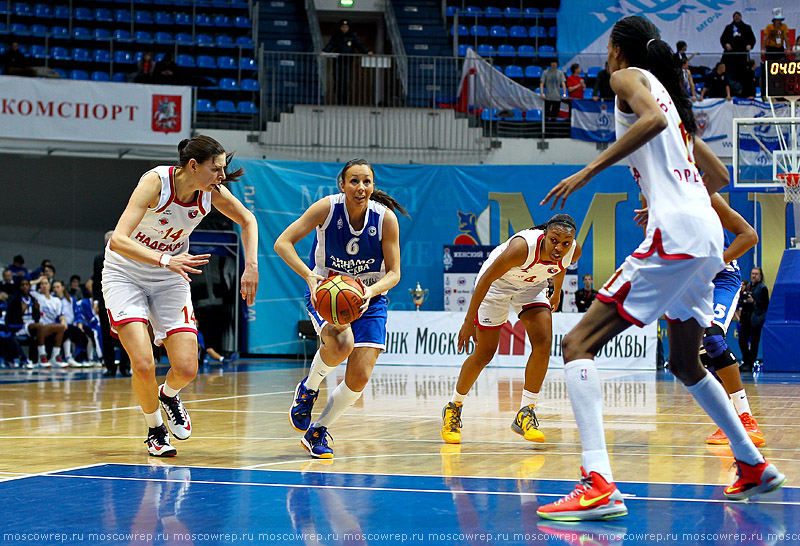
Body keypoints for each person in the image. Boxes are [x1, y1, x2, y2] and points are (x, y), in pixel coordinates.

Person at [537, 15, 785, 521]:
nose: (606, 56)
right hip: (703, 235)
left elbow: (647, 122)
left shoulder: (626, 78)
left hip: (677, 233)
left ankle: (598, 481)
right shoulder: (677, 106)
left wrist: (591, 169)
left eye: (608, 47)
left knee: (576, 343)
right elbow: (715, 174)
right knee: (686, 361)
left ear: (616, 48)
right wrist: (675, 194)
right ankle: (752, 464)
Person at [103, 135, 259, 457]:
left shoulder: (211, 194)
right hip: (125, 274)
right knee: (143, 362)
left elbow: (248, 219)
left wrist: (251, 266)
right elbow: (118, 240)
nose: (222, 176)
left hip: (169, 277)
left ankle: (169, 394)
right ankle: (155, 429)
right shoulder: (155, 183)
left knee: (188, 367)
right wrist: (165, 259)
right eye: (216, 169)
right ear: (193, 166)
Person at [275, 158, 406, 459]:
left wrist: (368, 291)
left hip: (369, 298)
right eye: (355, 181)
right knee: (342, 344)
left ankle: (318, 431)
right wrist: (309, 275)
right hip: (328, 293)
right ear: (342, 184)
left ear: (373, 186)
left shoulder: (385, 218)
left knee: (359, 376)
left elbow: (395, 273)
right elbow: (283, 243)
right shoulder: (326, 208)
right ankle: (308, 388)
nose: (361, 187)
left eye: (367, 181)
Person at [440, 214, 580, 446]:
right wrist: (468, 321)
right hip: (495, 286)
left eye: (566, 243)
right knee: (485, 353)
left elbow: (561, 266)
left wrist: (556, 291)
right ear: (545, 236)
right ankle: (453, 407)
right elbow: (485, 280)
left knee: (544, 343)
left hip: (531, 286)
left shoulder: (572, 250)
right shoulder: (521, 248)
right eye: (554, 240)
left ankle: (526, 412)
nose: (559, 247)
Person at [695, 195, 764, 447]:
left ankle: (746, 417)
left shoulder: (705, 194)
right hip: (692, 281)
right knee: (701, 353)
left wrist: (714, 263)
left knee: (712, 336)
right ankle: (729, 421)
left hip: (722, 277)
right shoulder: (662, 200)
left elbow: (749, 236)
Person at [95, 230, 131, 377]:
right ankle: (110, 367)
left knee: (126, 335)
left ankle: (125, 367)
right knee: (106, 336)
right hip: (105, 301)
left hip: (122, 301)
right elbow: (96, 282)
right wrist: (96, 300)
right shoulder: (99, 259)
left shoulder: (127, 257)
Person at [322, 20, 374, 105]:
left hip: (347, 61)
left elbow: (359, 44)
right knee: (337, 80)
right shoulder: (337, 36)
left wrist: (367, 51)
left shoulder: (352, 36)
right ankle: (338, 100)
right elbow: (331, 44)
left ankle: (345, 101)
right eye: (343, 27)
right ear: (340, 27)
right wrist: (324, 51)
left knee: (345, 81)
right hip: (338, 60)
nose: (344, 29)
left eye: (346, 27)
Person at [29, 277, 68, 367]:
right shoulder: (36, 295)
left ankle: (55, 357)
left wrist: (63, 321)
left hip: (52, 326)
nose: (44, 285)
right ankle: (42, 357)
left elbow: (60, 315)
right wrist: (37, 280)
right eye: (41, 284)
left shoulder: (56, 300)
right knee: (42, 327)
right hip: (40, 326)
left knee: (61, 327)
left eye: (46, 283)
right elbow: (26, 285)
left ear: (49, 286)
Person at [738, 267, 769, 373]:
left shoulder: (762, 288)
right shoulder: (748, 287)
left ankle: (750, 363)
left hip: (756, 318)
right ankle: (746, 360)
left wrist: (754, 301)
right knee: (742, 340)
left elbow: (765, 304)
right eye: (752, 273)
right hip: (746, 318)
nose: (754, 276)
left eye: (756, 274)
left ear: (760, 275)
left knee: (754, 342)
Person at [719, 11, 755, 87]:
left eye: (738, 16)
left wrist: (750, 45)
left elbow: (752, 39)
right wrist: (726, 44)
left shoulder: (747, 27)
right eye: (735, 16)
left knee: (742, 72)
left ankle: (742, 89)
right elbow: (723, 38)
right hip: (730, 55)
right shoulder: (728, 28)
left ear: (741, 17)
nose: (737, 17)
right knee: (730, 72)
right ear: (733, 18)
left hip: (742, 55)